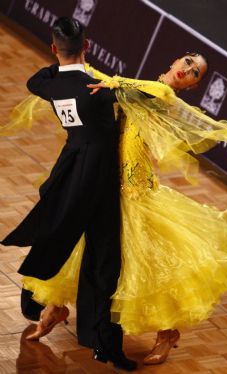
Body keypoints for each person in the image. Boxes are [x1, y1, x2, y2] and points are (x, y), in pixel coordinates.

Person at [1, 27, 227, 367]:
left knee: (151, 269)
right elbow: (103, 78)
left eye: (195, 72)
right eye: (187, 61)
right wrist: (81, 71)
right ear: (175, 60)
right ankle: (56, 308)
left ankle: (167, 333)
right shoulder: (137, 86)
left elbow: (122, 84)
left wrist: (109, 82)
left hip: (138, 193)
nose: (188, 69)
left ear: (192, 85)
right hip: (111, 184)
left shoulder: (162, 93)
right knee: (85, 251)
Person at [0, 17, 136, 372]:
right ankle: (104, 344)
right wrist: (104, 78)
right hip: (101, 182)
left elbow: (36, 80)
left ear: (53, 48)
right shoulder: (98, 88)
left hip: (70, 176)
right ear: (87, 46)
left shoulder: (52, 84)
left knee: (58, 239)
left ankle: (36, 302)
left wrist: (64, 65)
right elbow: (139, 94)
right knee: (104, 262)